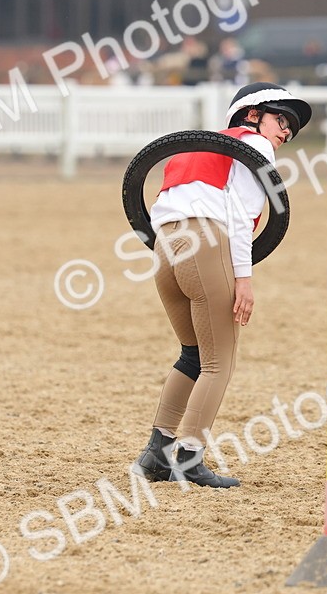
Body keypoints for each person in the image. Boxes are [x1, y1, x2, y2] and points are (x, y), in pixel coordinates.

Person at [132, 82, 312, 488]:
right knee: (219, 363)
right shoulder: (255, 147)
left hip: (164, 248)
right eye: (281, 120)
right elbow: (239, 213)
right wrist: (244, 279)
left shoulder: (191, 149)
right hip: (207, 243)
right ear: (252, 115)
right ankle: (189, 459)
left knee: (193, 356)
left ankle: (156, 455)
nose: (285, 133)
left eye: (291, 130)